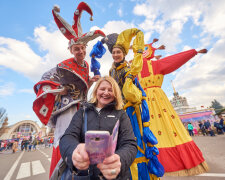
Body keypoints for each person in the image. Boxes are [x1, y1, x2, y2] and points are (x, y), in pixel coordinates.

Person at [32, 2, 105, 178]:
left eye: (82, 48)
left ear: (85, 49)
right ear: (71, 50)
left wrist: (90, 80)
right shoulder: (64, 65)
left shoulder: (87, 65)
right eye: (76, 49)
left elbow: (82, 87)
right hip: (67, 109)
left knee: (82, 140)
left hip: (82, 107)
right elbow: (46, 78)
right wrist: (60, 90)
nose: (80, 51)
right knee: (65, 140)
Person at [137, 40, 209, 175]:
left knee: (164, 128)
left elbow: (174, 59)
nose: (142, 52)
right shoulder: (135, 70)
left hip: (155, 102)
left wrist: (193, 52)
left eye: (144, 49)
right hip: (143, 103)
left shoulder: (157, 65)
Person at [100, 29, 164, 179]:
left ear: (123, 54)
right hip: (117, 111)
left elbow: (134, 93)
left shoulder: (129, 70)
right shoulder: (111, 71)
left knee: (134, 140)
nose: (116, 55)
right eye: (113, 52)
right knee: (119, 144)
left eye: (118, 52)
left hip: (130, 112)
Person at [59, 76, 137, 180]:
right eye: (102, 89)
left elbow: (130, 144)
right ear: (96, 91)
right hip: (85, 175)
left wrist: (120, 160)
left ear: (115, 94)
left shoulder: (121, 115)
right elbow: (68, 136)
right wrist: (73, 152)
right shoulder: (82, 112)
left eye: (110, 90)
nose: (106, 92)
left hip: (114, 176)